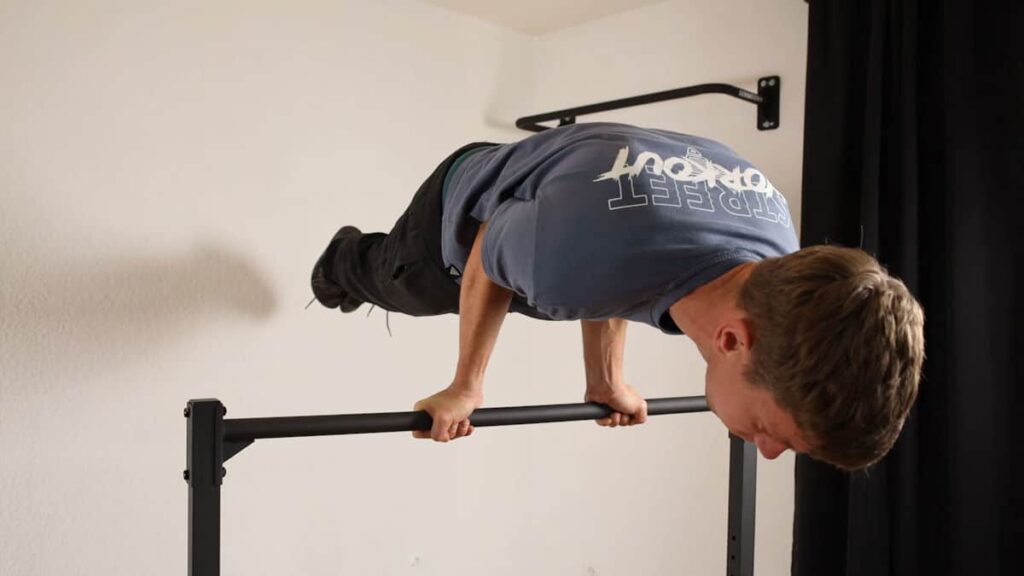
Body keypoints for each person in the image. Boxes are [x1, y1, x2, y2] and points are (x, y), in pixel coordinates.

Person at [310, 122, 925, 471]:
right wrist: (466, 385)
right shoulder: (568, 261)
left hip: (570, 205)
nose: (766, 452)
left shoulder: (775, 254)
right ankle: (339, 262)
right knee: (397, 281)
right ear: (732, 340)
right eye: (774, 431)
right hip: (461, 209)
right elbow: (487, 252)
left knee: (581, 251)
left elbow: (631, 269)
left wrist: (605, 379)